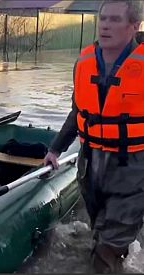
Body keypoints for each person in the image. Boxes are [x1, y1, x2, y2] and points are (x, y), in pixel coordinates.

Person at [43, 0, 144, 273]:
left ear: (134, 26)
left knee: (107, 248)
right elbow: (78, 112)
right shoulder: (84, 62)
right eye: (103, 19)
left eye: (114, 20)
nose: (105, 25)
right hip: (90, 165)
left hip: (133, 166)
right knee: (99, 230)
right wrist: (55, 149)